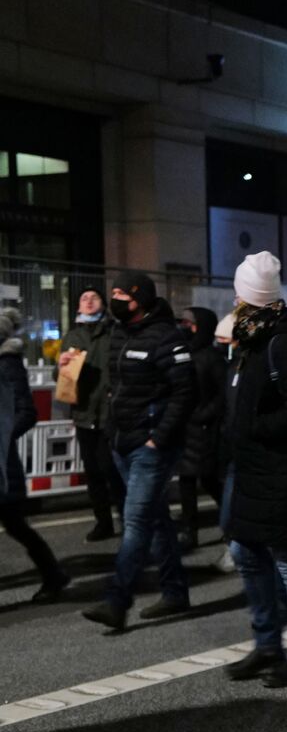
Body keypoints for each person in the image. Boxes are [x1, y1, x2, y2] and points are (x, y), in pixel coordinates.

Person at [213, 254, 287, 688]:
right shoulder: (252, 336)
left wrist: (254, 428)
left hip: (281, 469)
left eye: (239, 292)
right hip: (253, 466)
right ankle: (266, 645)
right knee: (244, 551)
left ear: (248, 296)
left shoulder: (283, 342)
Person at [81, 271, 195, 632]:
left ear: (140, 299)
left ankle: (117, 600)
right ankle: (175, 591)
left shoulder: (166, 337)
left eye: (121, 294)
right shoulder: (118, 332)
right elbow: (117, 388)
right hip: (122, 442)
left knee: (136, 522)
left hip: (150, 446)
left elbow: (185, 392)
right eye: (112, 292)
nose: (114, 299)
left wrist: (158, 437)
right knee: (156, 518)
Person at [1, 316, 68, 602]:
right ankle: (54, 575)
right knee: (16, 524)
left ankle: (53, 576)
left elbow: (25, 413)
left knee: (16, 524)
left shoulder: (7, 364)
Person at [59, 286, 125, 542]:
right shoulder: (72, 336)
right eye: (83, 298)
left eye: (93, 297)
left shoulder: (113, 333)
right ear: (77, 307)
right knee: (94, 473)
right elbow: (61, 379)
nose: (88, 301)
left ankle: (126, 519)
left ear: (103, 305)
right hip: (84, 413)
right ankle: (103, 522)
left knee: (112, 470)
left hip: (110, 412)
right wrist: (62, 367)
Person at [175, 307, 226, 550]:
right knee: (186, 481)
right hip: (185, 428)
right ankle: (189, 531)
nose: (185, 327)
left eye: (189, 323)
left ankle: (231, 522)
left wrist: (203, 415)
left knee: (209, 479)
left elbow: (222, 394)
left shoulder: (212, 357)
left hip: (205, 429)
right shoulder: (183, 354)